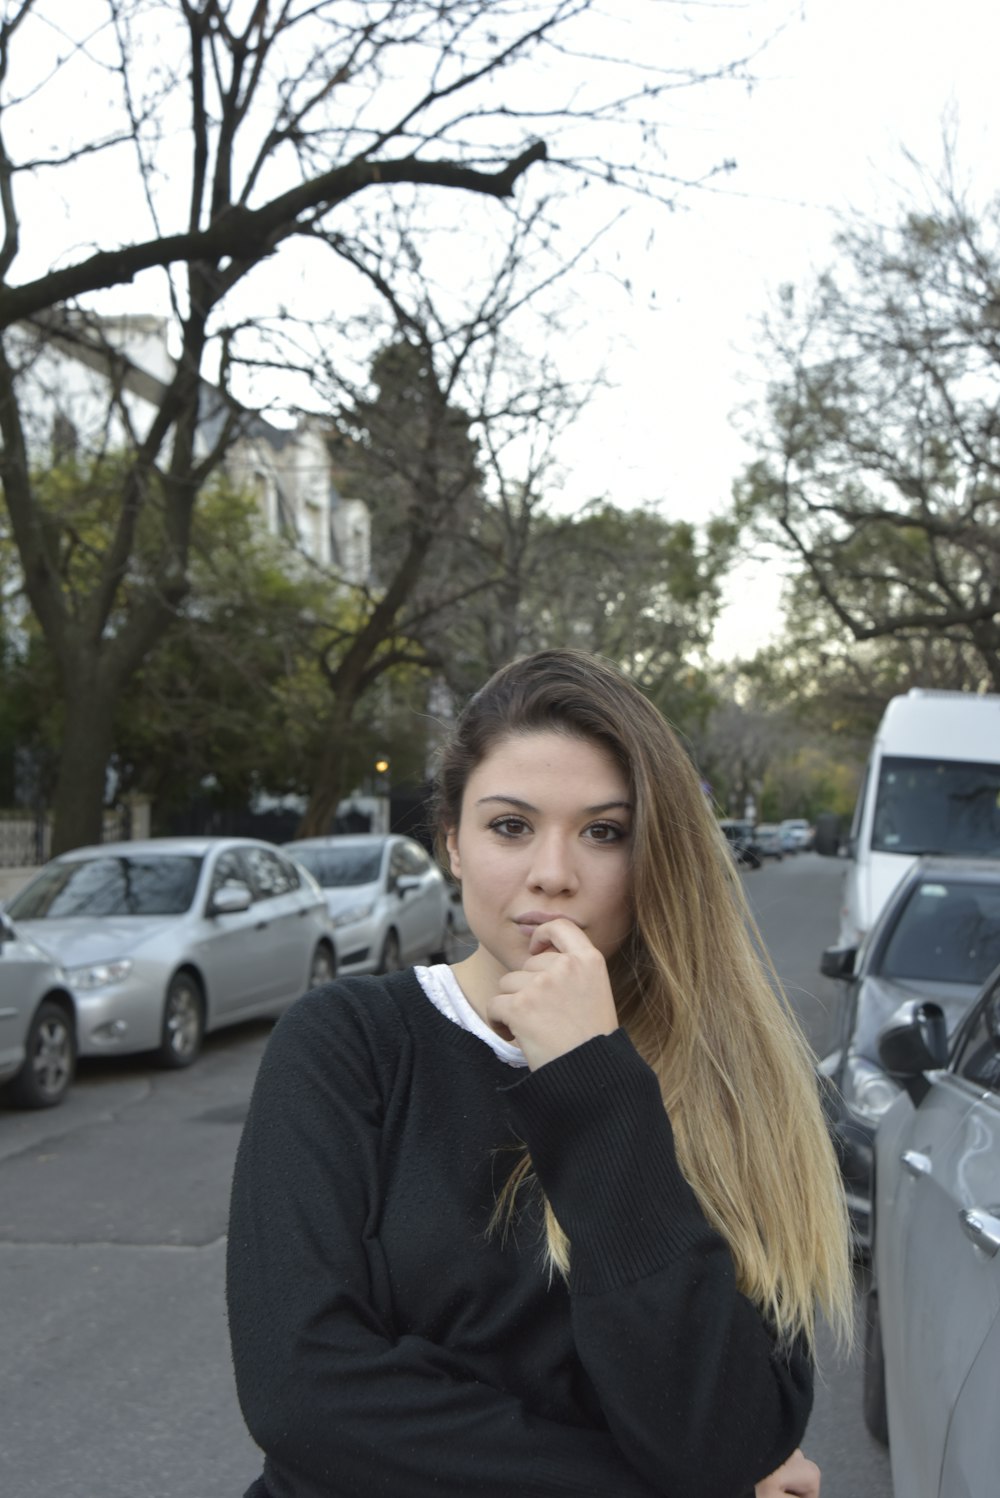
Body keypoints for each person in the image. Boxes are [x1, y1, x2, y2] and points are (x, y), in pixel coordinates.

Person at [227, 648, 853, 1498]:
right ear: (451, 841)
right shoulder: (348, 1045)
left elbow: (727, 1433)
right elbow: (304, 1397)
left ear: (654, 855)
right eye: (510, 826)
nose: (552, 873)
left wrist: (592, 1079)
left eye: (604, 831)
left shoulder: (735, 1083)